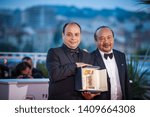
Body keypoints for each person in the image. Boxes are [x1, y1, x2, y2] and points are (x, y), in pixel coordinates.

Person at [46, 22, 97, 100]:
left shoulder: (87, 55)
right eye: (69, 34)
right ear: (63, 35)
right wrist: (76, 65)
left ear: (80, 36)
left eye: (76, 34)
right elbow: (54, 75)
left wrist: (90, 96)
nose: (73, 38)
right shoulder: (54, 52)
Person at [91, 26, 130, 100]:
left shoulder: (121, 56)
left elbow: (126, 83)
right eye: (102, 38)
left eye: (109, 37)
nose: (106, 41)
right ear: (96, 41)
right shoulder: (90, 58)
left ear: (113, 39)